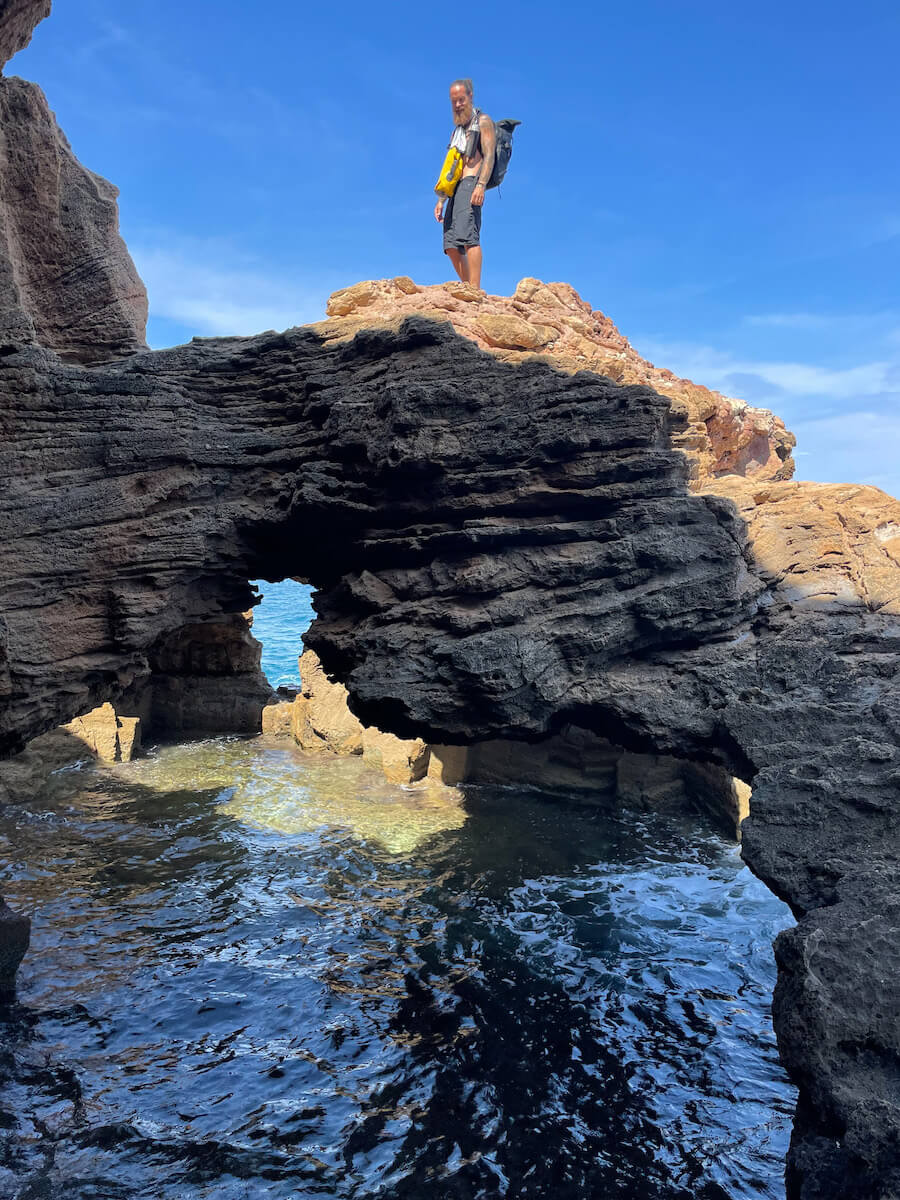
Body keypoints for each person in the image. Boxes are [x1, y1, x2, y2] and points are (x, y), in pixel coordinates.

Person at [434, 79, 495, 292]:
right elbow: (451, 167)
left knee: (469, 237)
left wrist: (481, 185)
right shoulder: (458, 131)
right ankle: (468, 288)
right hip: (454, 189)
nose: (458, 105)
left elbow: (489, 156)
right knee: (451, 245)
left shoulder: (483, 121)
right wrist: (441, 200)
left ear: (470, 96)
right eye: (454, 101)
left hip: (471, 183)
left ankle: (475, 291)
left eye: (461, 99)